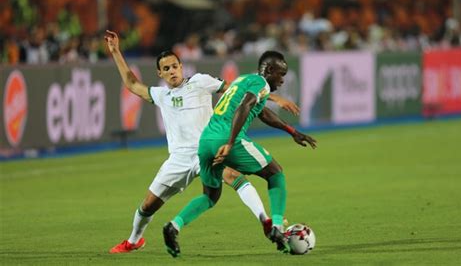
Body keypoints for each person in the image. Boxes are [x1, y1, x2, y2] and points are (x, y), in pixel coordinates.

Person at [103, 30, 300, 253]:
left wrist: (272, 96)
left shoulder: (199, 81)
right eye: (166, 69)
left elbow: (236, 89)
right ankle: (134, 240)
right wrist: (116, 51)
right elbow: (131, 84)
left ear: (181, 66)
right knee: (148, 205)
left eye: (174, 66)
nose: (172, 71)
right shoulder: (161, 95)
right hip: (178, 159)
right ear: (160, 73)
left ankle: (265, 221)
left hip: (207, 147)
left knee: (235, 176)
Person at [163, 51, 317, 257]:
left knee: (210, 196)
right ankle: (277, 228)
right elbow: (245, 105)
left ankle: (174, 225)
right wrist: (229, 143)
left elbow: (262, 112)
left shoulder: (243, 79)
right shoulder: (260, 83)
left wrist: (293, 132)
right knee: (275, 173)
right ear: (269, 71)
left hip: (206, 140)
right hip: (227, 138)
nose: (282, 80)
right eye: (281, 74)